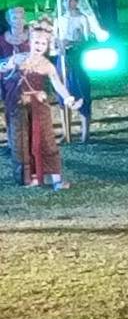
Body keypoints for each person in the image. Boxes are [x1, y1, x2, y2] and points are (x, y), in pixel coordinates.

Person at [1, 17, 80, 190]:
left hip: (39, 107)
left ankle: (54, 178)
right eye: (36, 42)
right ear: (30, 42)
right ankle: (27, 178)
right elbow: (3, 68)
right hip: (19, 106)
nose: (39, 46)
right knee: (21, 142)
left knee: (46, 140)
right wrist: (7, 65)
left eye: (43, 43)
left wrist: (68, 98)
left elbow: (58, 84)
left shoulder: (47, 65)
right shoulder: (18, 59)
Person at [54, 0, 107, 142]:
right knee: (63, 92)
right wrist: (58, 45)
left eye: (70, 0)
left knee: (80, 90)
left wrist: (72, 42)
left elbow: (86, 39)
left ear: (76, 2)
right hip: (62, 57)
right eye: (65, 0)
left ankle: (85, 134)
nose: (67, 3)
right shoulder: (59, 19)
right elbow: (55, 38)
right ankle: (66, 132)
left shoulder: (82, 18)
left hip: (77, 57)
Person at [0, 6, 30, 185]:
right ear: (8, 20)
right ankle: (21, 172)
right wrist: (10, 63)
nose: (18, 21)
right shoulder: (2, 41)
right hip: (11, 86)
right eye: (14, 18)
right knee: (16, 126)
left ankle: (37, 169)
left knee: (34, 126)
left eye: (21, 17)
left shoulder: (32, 38)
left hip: (32, 87)